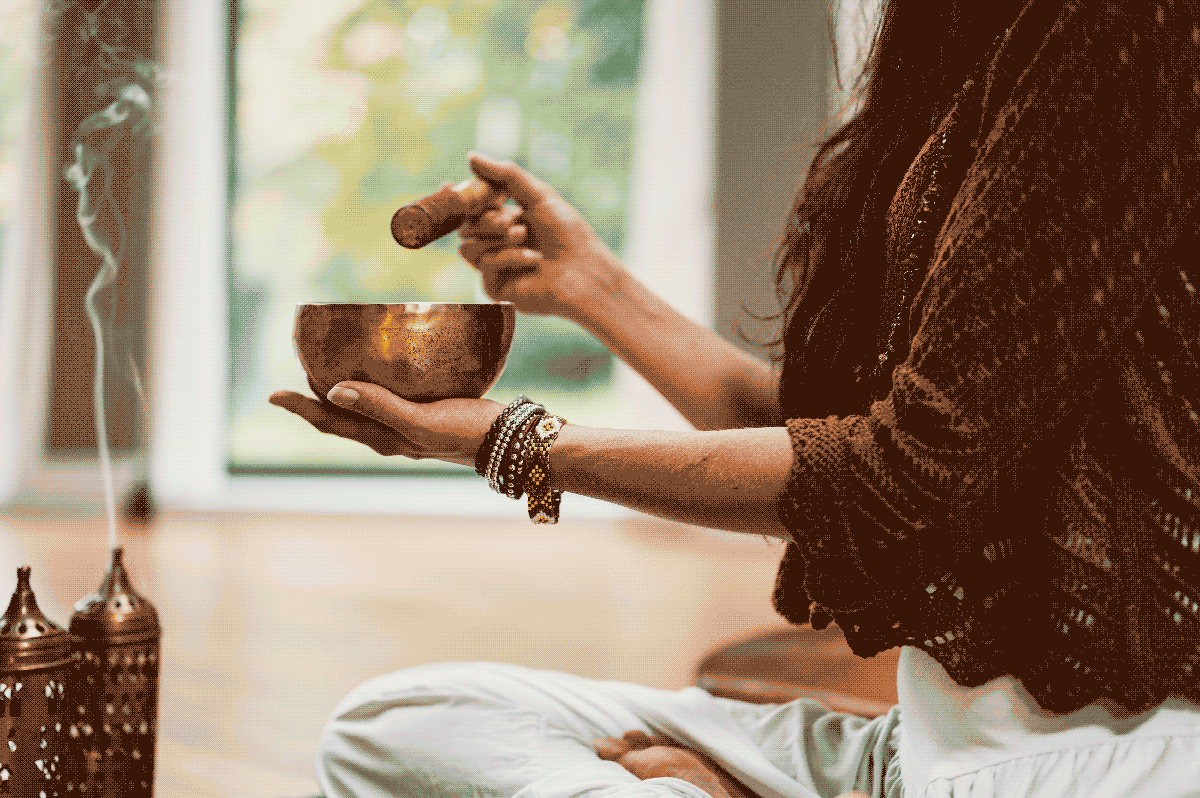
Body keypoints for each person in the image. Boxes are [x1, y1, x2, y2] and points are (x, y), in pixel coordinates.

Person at [268, 0, 1200, 795]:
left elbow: (900, 471)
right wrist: (589, 283)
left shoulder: (1120, 25)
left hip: (1085, 765)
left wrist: (510, 442)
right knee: (399, 725)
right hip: (914, 757)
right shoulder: (962, 40)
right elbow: (826, 445)